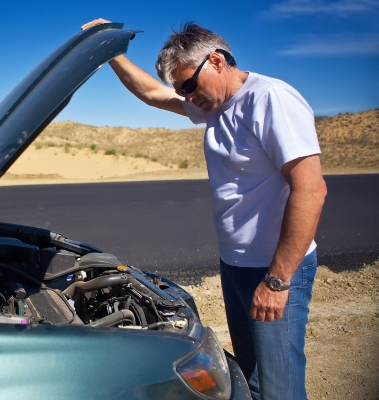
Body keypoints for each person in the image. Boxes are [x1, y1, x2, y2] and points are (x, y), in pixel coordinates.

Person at [81, 19, 327, 400]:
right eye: (182, 90)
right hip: (237, 265)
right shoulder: (214, 106)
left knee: (280, 387)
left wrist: (277, 282)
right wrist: (112, 52)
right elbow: (150, 93)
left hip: (274, 269)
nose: (187, 97)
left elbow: (310, 190)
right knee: (251, 377)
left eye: (190, 86)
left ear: (216, 60)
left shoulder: (270, 99)